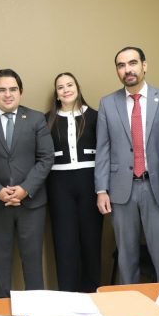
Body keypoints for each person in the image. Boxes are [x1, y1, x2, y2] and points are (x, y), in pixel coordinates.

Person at [95, 47, 159, 284]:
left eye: (132, 63)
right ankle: (129, 302)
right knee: (126, 256)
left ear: (144, 65)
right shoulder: (107, 103)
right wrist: (101, 190)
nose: (127, 70)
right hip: (121, 189)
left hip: (157, 187)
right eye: (121, 65)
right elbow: (103, 149)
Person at [0, 69, 53, 298]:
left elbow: (46, 158)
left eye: (13, 89)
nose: (7, 94)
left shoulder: (36, 119)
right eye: (2, 90)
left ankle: (37, 311)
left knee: (33, 262)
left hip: (31, 204)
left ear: (21, 92)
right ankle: (0, 311)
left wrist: (25, 189)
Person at [45, 72, 102, 293]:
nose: (66, 90)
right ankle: (68, 294)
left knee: (91, 240)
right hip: (59, 184)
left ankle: (92, 293)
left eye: (69, 85)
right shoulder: (47, 120)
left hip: (89, 182)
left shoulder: (95, 116)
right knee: (64, 242)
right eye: (60, 87)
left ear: (77, 88)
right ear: (56, 93)